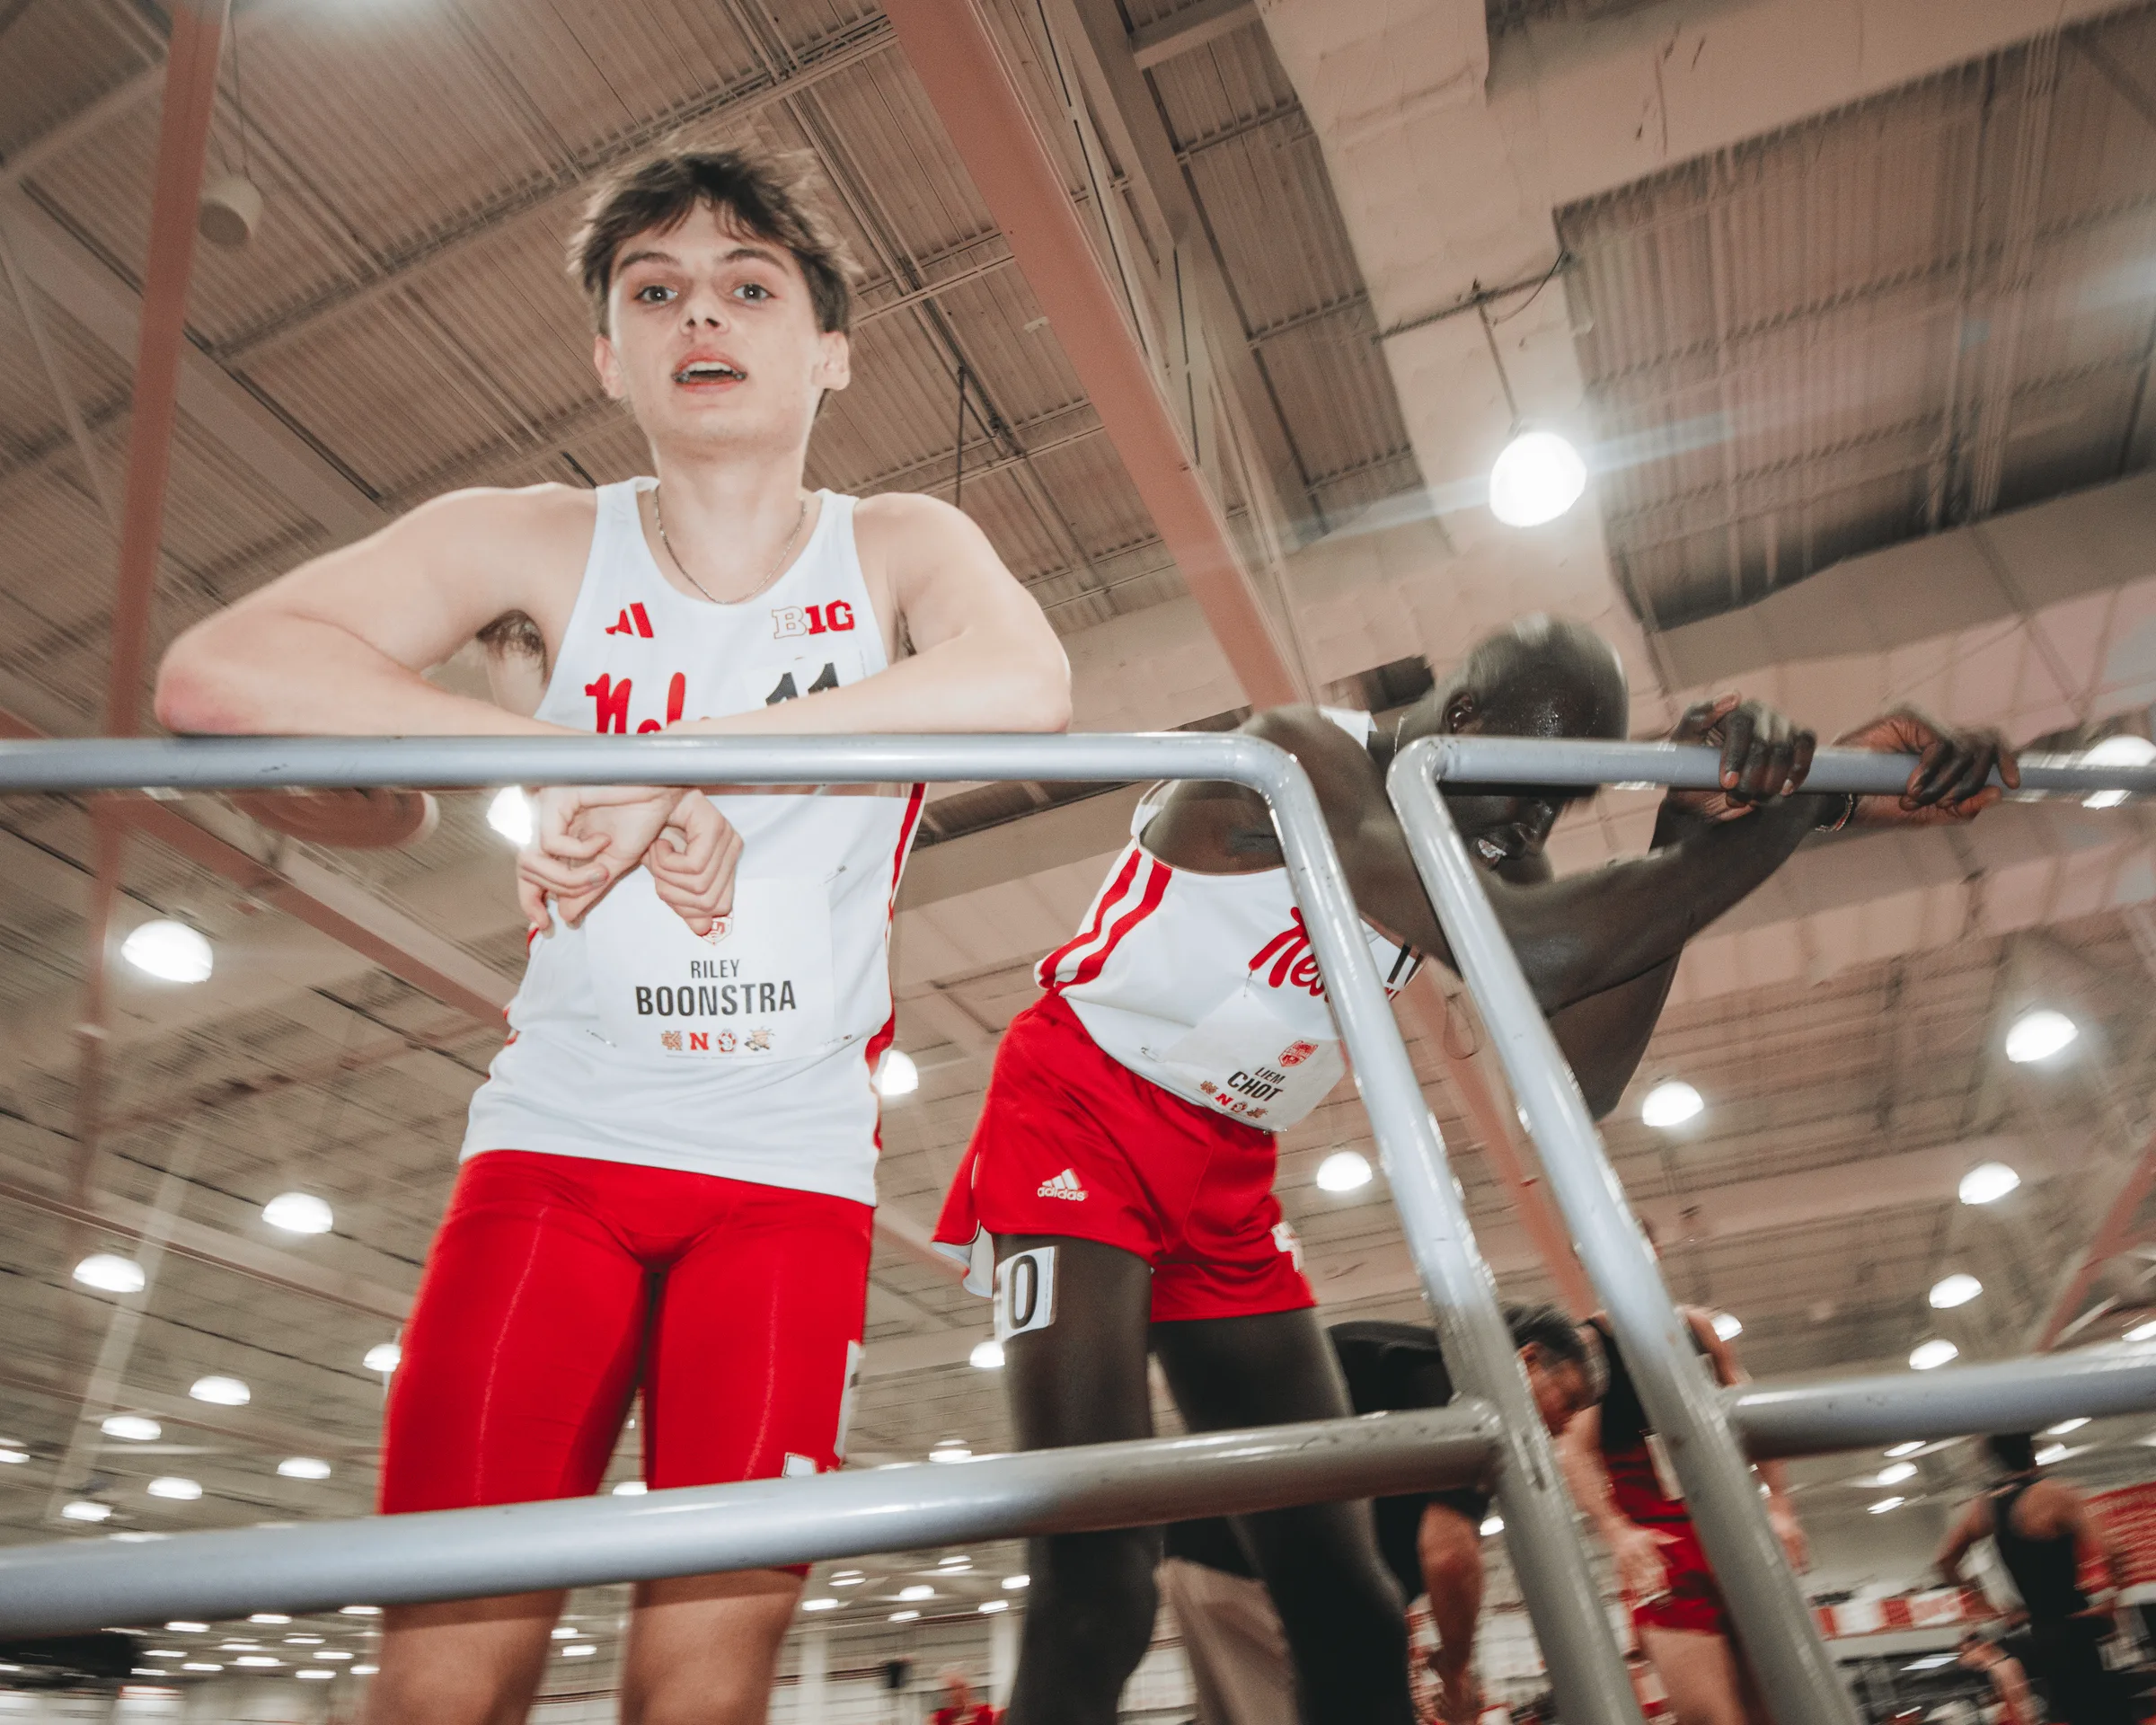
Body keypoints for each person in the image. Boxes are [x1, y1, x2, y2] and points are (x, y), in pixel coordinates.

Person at [155, 147, 1067, 1725]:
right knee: (442, 1684)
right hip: (556, 1155)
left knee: (700, 1695)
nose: (698, 313)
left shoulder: (903, 544)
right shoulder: (541, 541)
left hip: (789, 1179)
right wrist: (555, 753)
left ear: (828, 350)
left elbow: (1029, 685)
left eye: (747, 287)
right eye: (655, 292)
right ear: (609, 355)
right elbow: (215, 674)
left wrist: (685, 751)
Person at [935, 610, 2016, 1725]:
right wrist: (1803, 808)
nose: (1531, 828)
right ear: (1462, 722)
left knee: (1348, 1601)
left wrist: (1688, 835)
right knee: (1099, 1588)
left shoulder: (1481, 822)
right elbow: (1541, 951)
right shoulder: (1300, 755)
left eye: (1556, 811)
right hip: (1077, 1113)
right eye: (1525, 799)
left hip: (1229, 1165)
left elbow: (1579, 1064)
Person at [1158, 1308, 1600, 1725]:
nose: (1567, 1425)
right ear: (1529, 1360)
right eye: (1571, 1400)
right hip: (1259, 1575)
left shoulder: (1407, 1362)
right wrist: (1456, 1667)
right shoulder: (1462, 1403)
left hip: (1214, 1556)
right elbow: (1448, 1554)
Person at [1558, 1301, 1806, 1725]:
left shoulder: (1694, 1326)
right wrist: (1615, 1532)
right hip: (1663, 1547)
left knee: (1781, 1708)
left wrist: (1780, 1503)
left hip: (1733, 1530)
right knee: (1708, 1717)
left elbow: (1749, 1410)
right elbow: (1574, 1450)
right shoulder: (1591, 1345)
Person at [1938, 1434, 2134, 1725]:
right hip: (2076, 1620)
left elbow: (1945, 1561)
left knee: (2072, 1713)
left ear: (1993, 1461)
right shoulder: (2058, 1494)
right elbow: (2113, 1550)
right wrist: (2112, 1600)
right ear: (2033, 1454)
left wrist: (1984, 1603)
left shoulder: (1984, 1508)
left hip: (2039, 1631)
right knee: (2105, 1713)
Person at [1957, 1630, 2037, 1725]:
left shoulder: (2005, 1665)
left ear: (1984, 1647)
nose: (1968, 1656)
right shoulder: (1997, 1667)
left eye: (1969, 1651)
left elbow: (2019, 1698)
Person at [930, 1668, 1000, 1725]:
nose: (955, 1693)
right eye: (949, 1689)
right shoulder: (937, 1720)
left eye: (960, 1687)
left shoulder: (991, 1716)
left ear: (970, 1688)